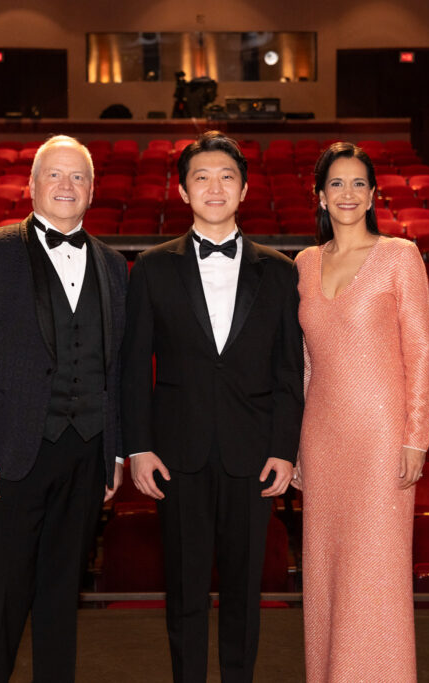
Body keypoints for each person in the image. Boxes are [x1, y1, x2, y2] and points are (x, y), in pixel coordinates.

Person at [121, 130, 304, 683]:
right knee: (184, 591)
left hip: (253, 456)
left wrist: (284, 449)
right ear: (182, 192)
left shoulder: (280, 270)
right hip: (177, 454)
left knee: (247, 591)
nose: (215, 186)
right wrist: (138, 447)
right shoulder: (151, 267)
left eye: (227, 175)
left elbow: (288, 372)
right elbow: (133, 367)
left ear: (244, 189)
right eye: (201, 176)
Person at [0, 135, 127, 683]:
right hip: (9, 455)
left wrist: (113, 453)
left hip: (86, 453)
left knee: (60, 596)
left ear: (92, 191)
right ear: (31, 185)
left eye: (78, 178)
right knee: (2, 596)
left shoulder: (115, 266)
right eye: (55, 175)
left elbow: (114, 369)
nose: (66, 186)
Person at [292, 142, 429, 682]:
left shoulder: (400, 256)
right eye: (336, 184)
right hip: (322, 438)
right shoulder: (305, 263)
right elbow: (306, 360)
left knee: (376, 571)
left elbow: (421, 351)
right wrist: (298, 447)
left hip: (382, 438)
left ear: (374, 194)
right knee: (326, 572)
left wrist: (415, 438)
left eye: (358, 184)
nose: (347, 194)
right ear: (320, 196)